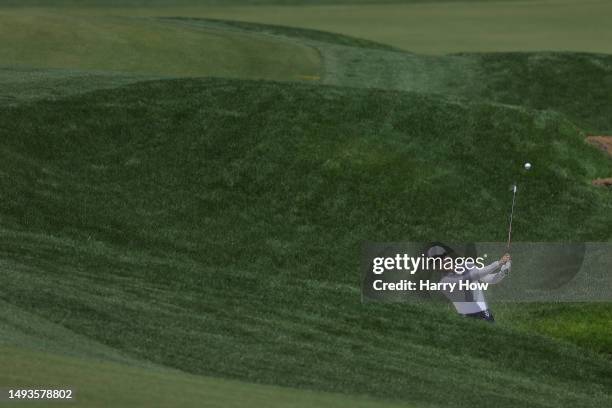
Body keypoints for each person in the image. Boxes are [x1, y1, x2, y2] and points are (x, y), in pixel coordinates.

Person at [426, 244, 511, 322]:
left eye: (444, 256)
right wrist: (498, 263)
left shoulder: (468, 265)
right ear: (435, 268)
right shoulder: (444, 283)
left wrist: (503, 272)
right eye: (438, 262)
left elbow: (490, 279)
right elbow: (471, 277)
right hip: (469, 319)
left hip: (486, 314)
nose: (443, 261)